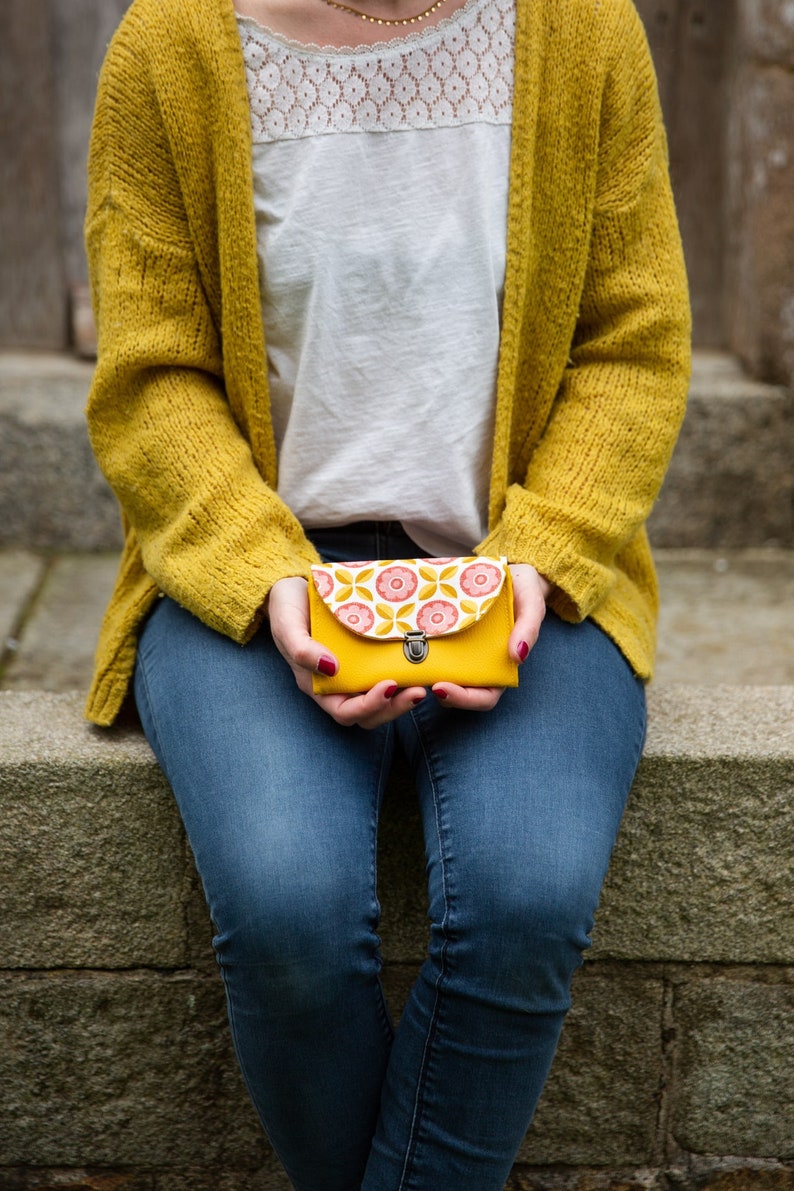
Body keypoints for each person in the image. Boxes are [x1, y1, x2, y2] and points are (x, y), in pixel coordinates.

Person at [83, 0, 690, 1185]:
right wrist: (266, 581)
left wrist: (542, 550)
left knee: (523, 896)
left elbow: (635, 342)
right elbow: (150, 376)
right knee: (286, 915)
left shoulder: (582, 31)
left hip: (521, 564)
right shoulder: (167, 46)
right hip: (255, 575)